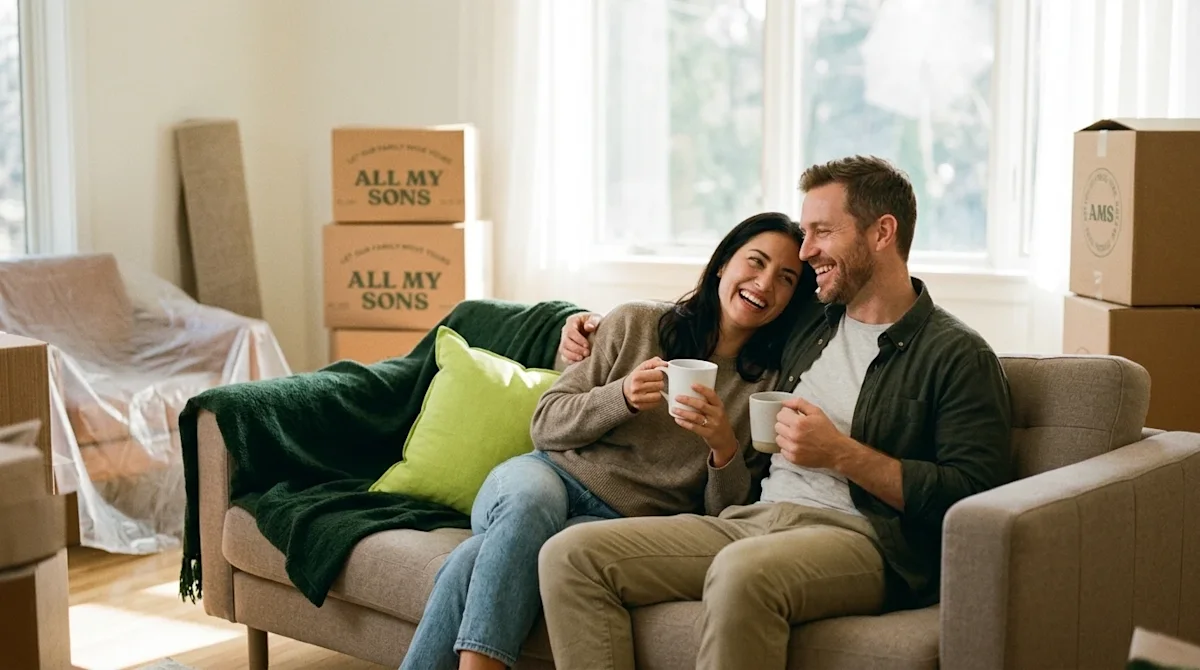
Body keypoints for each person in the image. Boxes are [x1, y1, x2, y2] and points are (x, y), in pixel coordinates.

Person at [540, 155, 1014, 670]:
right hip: (754, 520)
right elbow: (727, 302)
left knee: (744, 573)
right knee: (571, 556)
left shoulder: (957, 355)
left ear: (883, 232)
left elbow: (974, 496)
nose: (806, 251)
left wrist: (841, 454)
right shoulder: (811, 322)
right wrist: (588, 325)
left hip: (862, 539)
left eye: (822, 232)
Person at [399, 212, 814, 670]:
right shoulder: (637, 323)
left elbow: (723, 517)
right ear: (722, 264)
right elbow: (546, 424)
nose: (764, 282)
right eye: (754, 262)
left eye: (786, 278)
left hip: (620, 522)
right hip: (545, 475)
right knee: (531, 503)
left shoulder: (767, 388)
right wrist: (622, 398)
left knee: (479, 559)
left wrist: (722, 447)